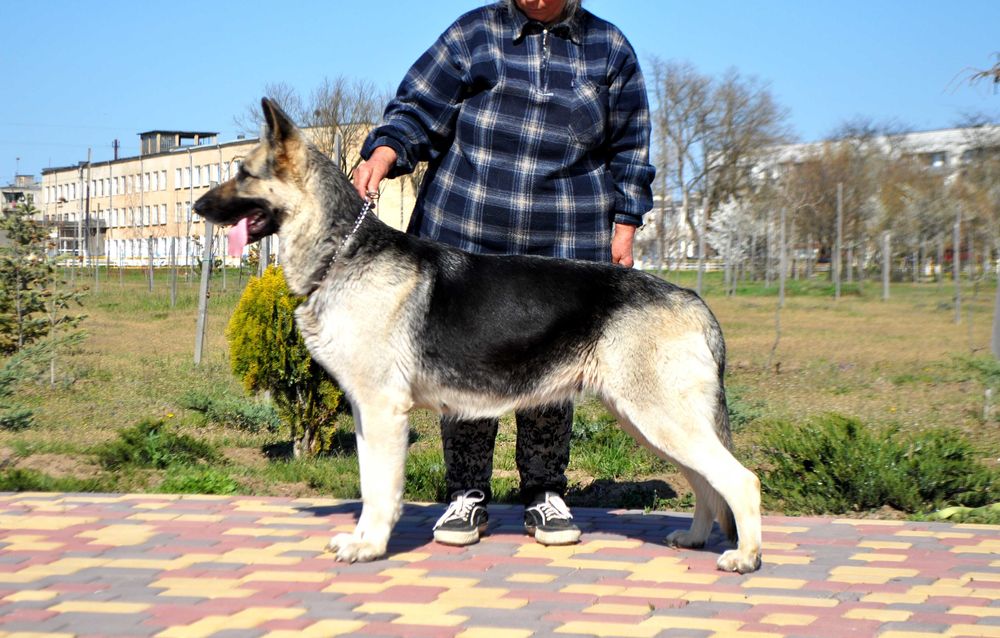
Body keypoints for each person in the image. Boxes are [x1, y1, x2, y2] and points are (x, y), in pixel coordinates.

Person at [352, 0, 654, 547]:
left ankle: (544, 493)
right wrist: (386, 150)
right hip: (466, 231)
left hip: (565, 237)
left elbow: (631, 146)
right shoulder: (475, 33)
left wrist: (626, 223)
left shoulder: (609, 48)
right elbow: (418, 107)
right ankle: (467, 495)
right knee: (465, 365)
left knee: (554, 368)